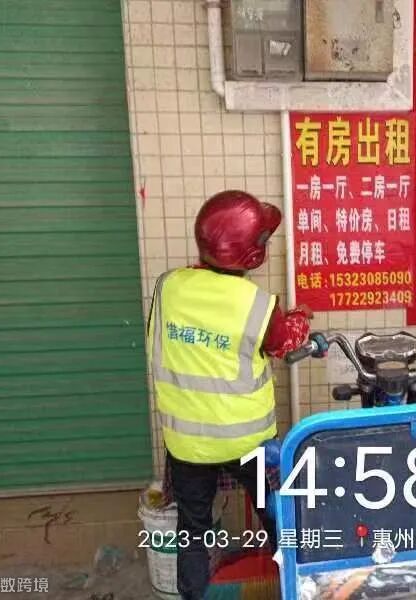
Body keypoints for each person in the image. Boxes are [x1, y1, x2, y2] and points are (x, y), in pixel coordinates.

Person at [146, 190, 310, 600]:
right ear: (253, 253)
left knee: (192, 528)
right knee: (275, 515)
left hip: (187, 444)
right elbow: (284, 343)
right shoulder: (257, 304)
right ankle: (293, 585)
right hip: (248, 442)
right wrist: (300, 319)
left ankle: (192, 595)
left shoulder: (167, 286)